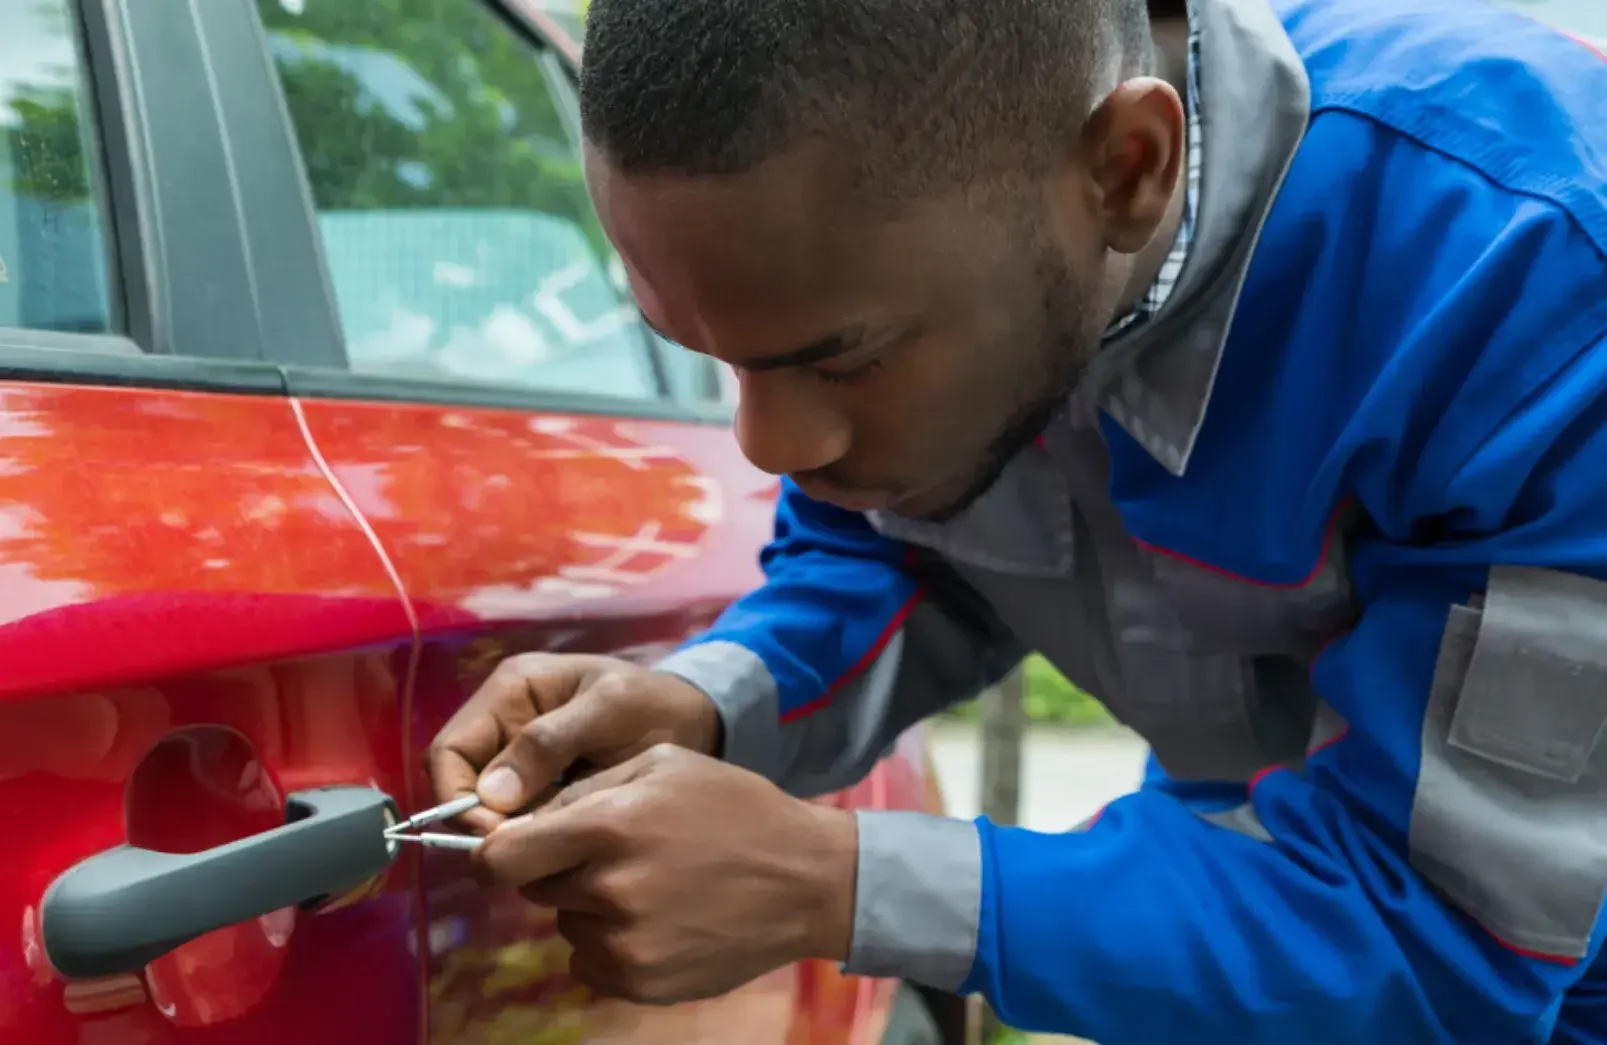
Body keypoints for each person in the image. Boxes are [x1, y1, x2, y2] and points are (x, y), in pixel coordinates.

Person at [426, 0, 1607, 1039]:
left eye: (841, 359)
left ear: (1126, 171)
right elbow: (895, 551)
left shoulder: (1528, 273)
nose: (768, 447)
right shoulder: (957, 237)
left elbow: (1440, 941)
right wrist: (708, 703)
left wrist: (836, 881)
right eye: (717, 359)